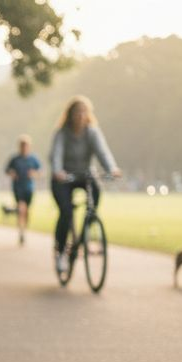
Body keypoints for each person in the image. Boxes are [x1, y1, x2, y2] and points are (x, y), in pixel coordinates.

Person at [49, 96, 121, 275]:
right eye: (77, 113)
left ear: (88, 115)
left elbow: (102, 152)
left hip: (84, 175)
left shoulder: (92, 132)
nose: (80, 116)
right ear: (70, 115)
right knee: (66, 212)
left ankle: (84, 233)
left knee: (94, 200)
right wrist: (58, 171)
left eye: (84, 112)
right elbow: (56, 154)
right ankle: (61, 252)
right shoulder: (62, 133)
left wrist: (111, 169)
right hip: (64, 177)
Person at [4, 135, 41, 246]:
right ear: (19, 146)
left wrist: (34, 174)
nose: (24, 147)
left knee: (27, 211)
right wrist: (12, 173)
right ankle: (21, 233)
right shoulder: (14, 159)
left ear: (29, 147)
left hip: (29, 188)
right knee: (21, 209)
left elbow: (40, 172)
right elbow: (6, 170)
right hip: (18, 187)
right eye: (22, 145)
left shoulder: (33, 159)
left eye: (26, 145)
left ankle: (24, 229)